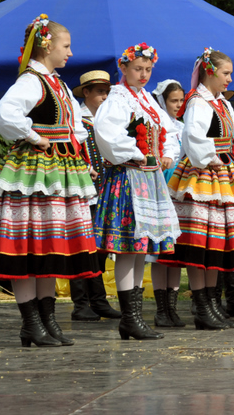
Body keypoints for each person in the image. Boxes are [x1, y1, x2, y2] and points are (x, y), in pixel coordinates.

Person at [0, 14, 101, 347]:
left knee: (49, 246)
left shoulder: (58, 84)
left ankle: (48, 321)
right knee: (28, 247)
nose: (70, 53)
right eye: (66, 46)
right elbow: (4, 116)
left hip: (60, 172)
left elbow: (75, 127)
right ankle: (31, 322)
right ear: (46, 45)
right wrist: (34, 136)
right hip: (35, 173)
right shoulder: (31, 81)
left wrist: (83, 163)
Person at [161, 48, 234, 330]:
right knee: (200, 243)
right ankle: (202, 306)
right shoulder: (198, 103)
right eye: (226, 73)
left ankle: (211, 304)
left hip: (223, 175)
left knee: (217, 242)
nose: (230, 78)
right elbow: (192, 136)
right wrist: (213, 158)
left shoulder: (223, 104)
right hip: (202, 176)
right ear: (209, 71)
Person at [93, 41, 181, 340]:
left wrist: (167, 152)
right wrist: (136, 152)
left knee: (141, 249)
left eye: (147, 70)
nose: (143, 75)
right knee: (129, 249)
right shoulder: (117, 100)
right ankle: (129, 317)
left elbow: (166, 130)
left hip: (149, 179)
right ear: (124, 68)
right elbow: (105, 132)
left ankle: (134, 318)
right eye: (137, 69)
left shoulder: (145, 99)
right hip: (128, 177)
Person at [68, 70, 122, 322]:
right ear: (86, 92)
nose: (104, 95)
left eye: (106, 91)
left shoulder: (108, 118)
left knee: (99, 247)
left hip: (105, 190)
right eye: (99, 91)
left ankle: (97, 300)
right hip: (84, 191)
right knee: (82, 247)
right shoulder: (76, 119)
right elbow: (70, 149)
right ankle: (80, 304)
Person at [145, 79, 187, 328]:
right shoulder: (155, 124)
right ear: (162, 101)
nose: (179, 105)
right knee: (161, 251)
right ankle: (161, 308)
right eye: (174, 100)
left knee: (175, 250)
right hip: (161, 185)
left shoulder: (181, 126)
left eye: (181, 100)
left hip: (179, 188)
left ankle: (172, 307)